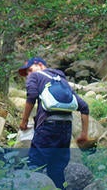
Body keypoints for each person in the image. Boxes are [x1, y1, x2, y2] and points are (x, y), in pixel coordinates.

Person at [17, 57, 90, 189]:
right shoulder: (61, 80)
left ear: (39, 65)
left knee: (35, 166)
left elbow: (32, 96)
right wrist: (84, 134)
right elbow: (84, 107)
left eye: (29, 70)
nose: (28, 75)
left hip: (47, 127)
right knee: (58, 170)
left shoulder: (35, 76)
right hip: (66, 129)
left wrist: (24, 121)